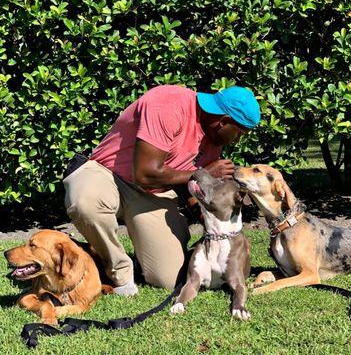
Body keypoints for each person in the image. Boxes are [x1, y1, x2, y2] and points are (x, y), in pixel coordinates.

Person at [63, 84, 260, 295]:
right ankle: (119, 271)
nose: (238, 140)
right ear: (223, 121)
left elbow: (192, 191)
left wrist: (224, 233)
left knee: (168, 276)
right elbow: (145, 174)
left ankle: (101, 255)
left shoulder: (213, 141)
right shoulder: (169, 104)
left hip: (153, 192)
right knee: (86, 201)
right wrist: (203, 173)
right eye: (239, 132)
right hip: (107, 174)